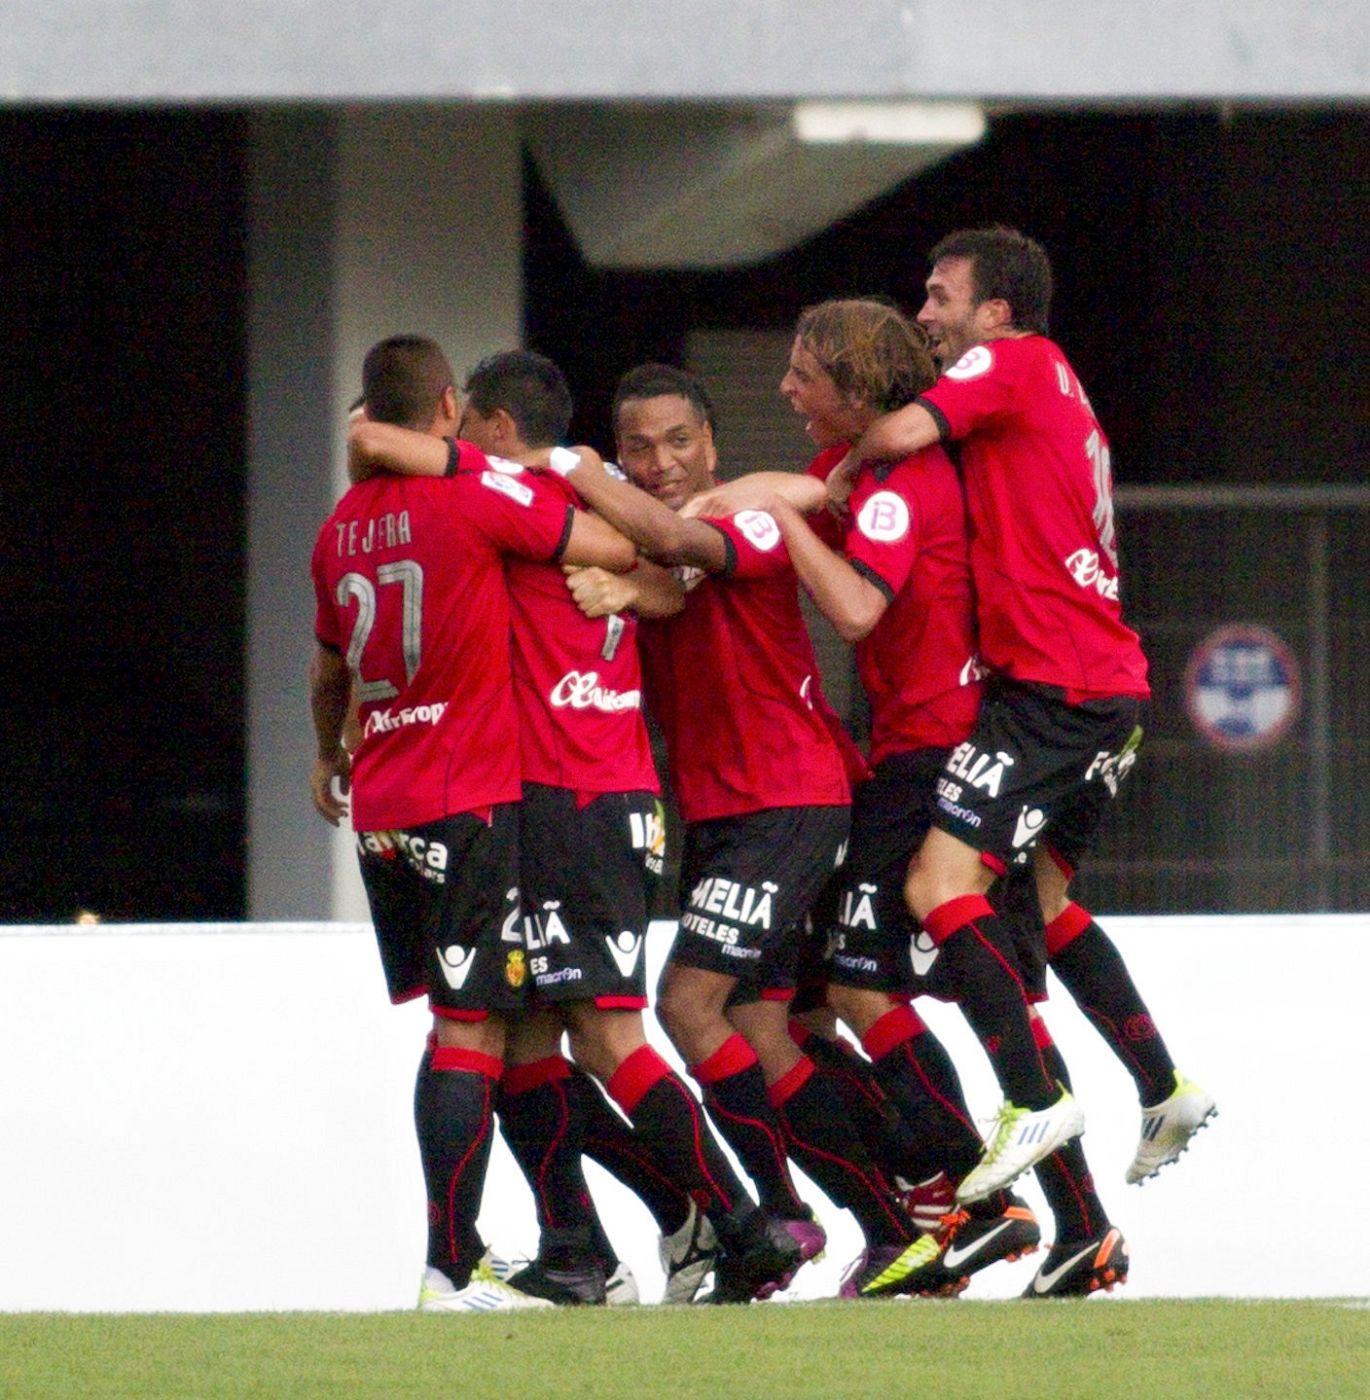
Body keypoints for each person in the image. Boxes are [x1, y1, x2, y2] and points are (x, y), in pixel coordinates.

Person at [347, 349, 808, 1307]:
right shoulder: (584, 500)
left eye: (469, 421)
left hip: (564, 794)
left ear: (494, 426)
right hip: (597, 793)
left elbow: (371, 441)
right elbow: (672, 580)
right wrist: (638, 586)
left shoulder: (505, 492)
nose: (459, 436)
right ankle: (588, 1246)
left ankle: (736, 1219)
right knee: (526, 1042)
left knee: (596, 1036)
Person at [835, 228, 1216, 1296]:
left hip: (1050, 688)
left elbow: (903, 422)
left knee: (935, 882)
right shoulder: (1044, 383)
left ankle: (1026, 1097)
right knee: (1036, 899)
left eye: (939, 292)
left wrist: (840, 467)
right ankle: (1158, 1081)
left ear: (995, 310)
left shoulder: (1006, 363)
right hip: (1101, 682)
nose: (927, 312)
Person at [560, 364, 957, 1299]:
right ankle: (893, 1223)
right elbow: (662, 580)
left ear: (712, 441)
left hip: (788, 801)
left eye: (679, 441)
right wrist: (626, 577)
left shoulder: (743, 513)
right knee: (763, 1028)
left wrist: (575, 477)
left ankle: (784, 1218)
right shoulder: (658, 535)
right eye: (638, 448)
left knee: (689, 1007)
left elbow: (794, 495)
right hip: (725, 811)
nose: (658, 462)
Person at [309, 334, 635, 1313]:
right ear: (447, 409)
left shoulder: (334, 531)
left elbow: (329, 672)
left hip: (382, 803)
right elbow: (607, 546)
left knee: (462, 1026)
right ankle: (450, 1262)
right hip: (465, 795)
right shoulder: (466, 494)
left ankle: (498, 1251)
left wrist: (329, 752)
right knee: (469, 1028)